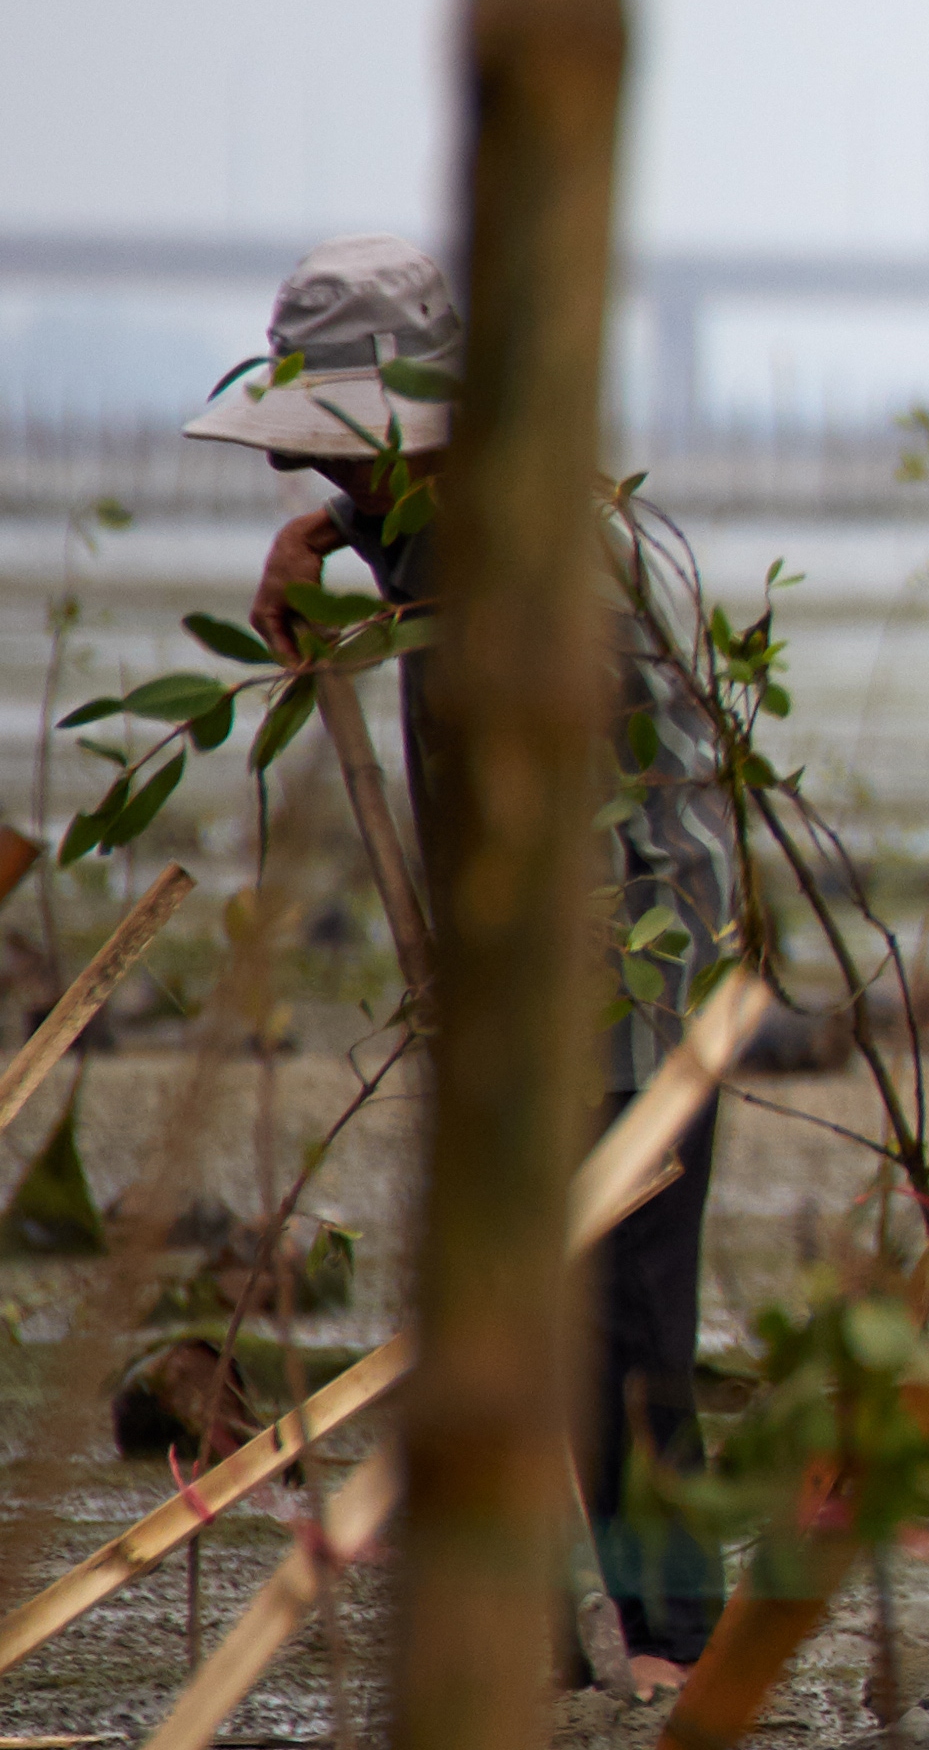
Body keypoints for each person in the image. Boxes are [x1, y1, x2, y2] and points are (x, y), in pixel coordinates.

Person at [186, 235, 745, 1690]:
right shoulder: (431, 517)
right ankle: (575, 1638)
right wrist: (333, 544)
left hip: (630, 967)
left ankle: (673, 1647)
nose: (326, 481)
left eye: (349, 459)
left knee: (622, 1322)